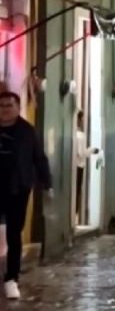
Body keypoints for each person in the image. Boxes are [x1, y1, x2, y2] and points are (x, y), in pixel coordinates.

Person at [0, 92, 51, 300]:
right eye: (2, 105)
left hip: (17, 188)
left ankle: (11, 279)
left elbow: (39, 158)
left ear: (18, 107)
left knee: (14, 234)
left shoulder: (27, 131)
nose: (5, 109)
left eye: (9, 105)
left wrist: (47, 184)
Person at [74, 111, 100, 224]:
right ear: (79, 120)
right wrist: (92, 150)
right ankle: (75, 216)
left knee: (76, 191)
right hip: (79, 166)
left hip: (76, 166)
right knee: (77, 192)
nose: (84, 121)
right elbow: (81, 153)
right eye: (83, 119)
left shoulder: (75, 134)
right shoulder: (80, 135)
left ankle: (75, 216)